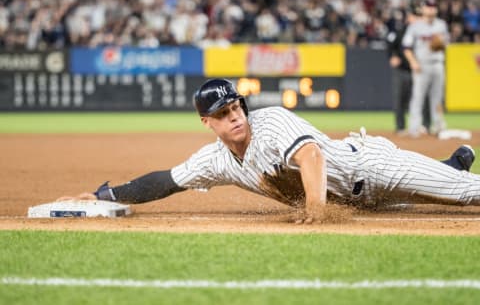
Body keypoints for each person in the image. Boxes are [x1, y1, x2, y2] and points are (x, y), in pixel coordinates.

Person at [62, 79, 478, 223]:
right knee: (430, 198)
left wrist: (315, 210)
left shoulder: (272, 121)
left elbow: (311, 156)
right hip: (363, 202)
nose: (235, 116)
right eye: (223, 114)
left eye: (236, 106)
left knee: (467, 195)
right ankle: (450, 165)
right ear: (207, 122)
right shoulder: (216, 160)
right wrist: (105, 196)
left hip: (371, 166)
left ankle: (453, 171)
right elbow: (167, 181)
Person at [402, 0, 449, 137]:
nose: (431, 9)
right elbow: (406, 47)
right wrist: (413, 62)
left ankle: (439, 126)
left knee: (437, 98)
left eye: (433, 7)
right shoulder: (415, 26)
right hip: (421, 65)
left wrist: (441, 42)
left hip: (438, 64)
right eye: (429, 7)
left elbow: (445, 44)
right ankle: (414, 128)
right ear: (423, 9)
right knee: (418, 97)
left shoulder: (441, 25)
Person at [387, 9, 430, 135]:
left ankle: (424, 126)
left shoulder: (423, 32)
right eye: (414, 16)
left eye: (418, 16)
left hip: (420, 70)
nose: (415, 19)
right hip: (403, 70)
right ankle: (400, 127)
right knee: (400, 98)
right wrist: (392, 56)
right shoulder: (400, 30)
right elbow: (390, 44)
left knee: (423, 98)